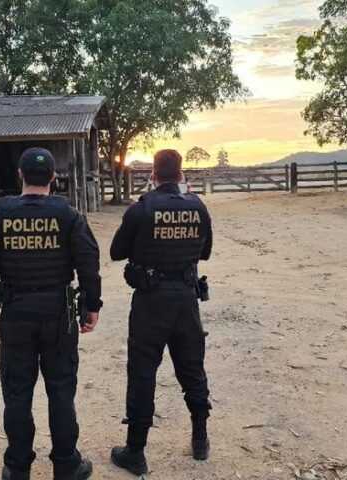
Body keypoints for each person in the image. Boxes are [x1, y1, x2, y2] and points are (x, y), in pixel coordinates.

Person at [0, 147, 102, 480]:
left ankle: (17, 467)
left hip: (15, 313)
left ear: (20, 176)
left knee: (17, 391)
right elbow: (89, 264)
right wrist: (92, 307)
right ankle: (66, 464)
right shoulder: (69, 215)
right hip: (58, 315)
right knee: (60, 389)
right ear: (54, 179)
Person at [108, 149, 214, 474]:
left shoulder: (141, 209)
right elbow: (206, 253)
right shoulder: (198, 206)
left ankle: (135, 451)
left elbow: (115, 252)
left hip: (150, 302)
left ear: (153, 174)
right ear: (181, 175)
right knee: (192, 368)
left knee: (142, 373)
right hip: (185, 299)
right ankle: (200, 440)